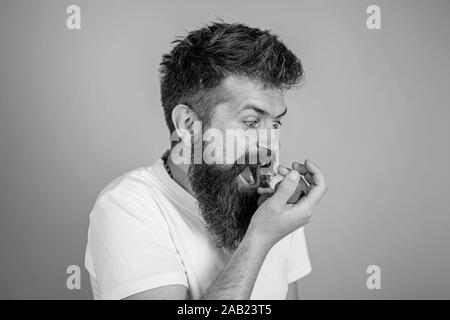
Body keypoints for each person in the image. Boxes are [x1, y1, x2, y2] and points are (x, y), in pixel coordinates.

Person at [84, 21, 327, 300]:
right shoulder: (127, 206)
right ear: (188, 125)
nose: (271, 145)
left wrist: (270, 228)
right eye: (251, 122)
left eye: (276, 124)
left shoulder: (274, 209)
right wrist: (259, 240)